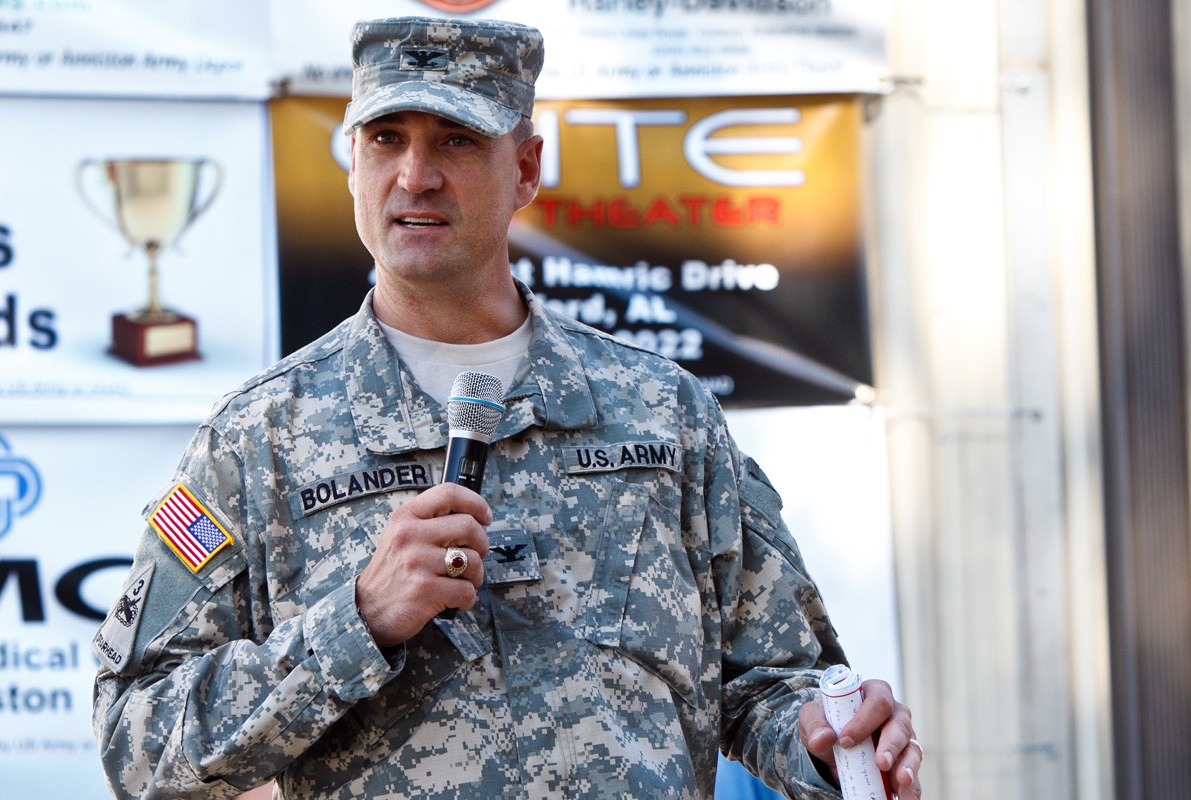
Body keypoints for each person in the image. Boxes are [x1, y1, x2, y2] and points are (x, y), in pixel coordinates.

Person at [92, 15, 923, 800]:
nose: (415, 175)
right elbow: (137, 738)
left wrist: (829, 743)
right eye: (386, 139)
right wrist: (357, 621)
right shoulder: (258, 438)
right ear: (352, 163)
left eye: (456, 139)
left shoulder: (663, 413)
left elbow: (774, 681)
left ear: (525, 168)